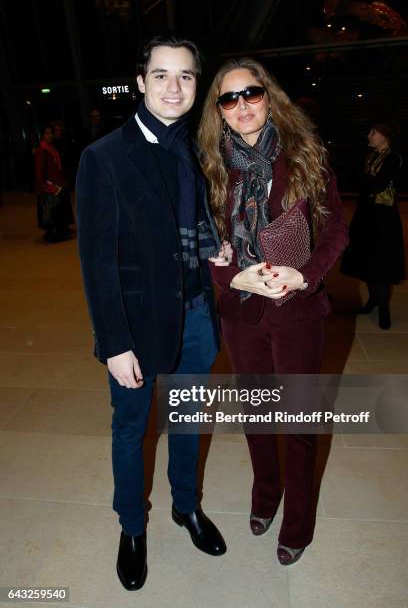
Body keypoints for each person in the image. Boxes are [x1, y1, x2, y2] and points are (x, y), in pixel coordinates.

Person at [76, 36, 230, 592]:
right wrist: (114, 344)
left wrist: (214, 246)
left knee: (189, 419)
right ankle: (132, 528)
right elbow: (96, 262)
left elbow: (194, 222)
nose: (173, 87)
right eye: (161, 75)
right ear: (140, 83)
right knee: (131, 429)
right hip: (136, 327)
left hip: (194, 317)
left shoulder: (196, 149)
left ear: (196, 86)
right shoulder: (104, 158)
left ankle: (185, 507)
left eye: (185, 76)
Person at [198, 58, 348, 565]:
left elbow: (335, 232)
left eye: (251, 93)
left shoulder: (307, 156)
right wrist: (228, 275)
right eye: (228, 98)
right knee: (258, 417)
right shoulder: (210, 167)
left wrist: (305, 274)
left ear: (269, 97)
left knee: (297, 424)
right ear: (218, 110)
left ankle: (298, 522)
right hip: (241, 315)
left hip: (297, 312)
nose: (242, 106)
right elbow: (199, 242)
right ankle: (266, 496)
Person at [341, 122, 405, 329]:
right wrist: (365, 181)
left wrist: (364, 180)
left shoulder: (393, 158)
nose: (369, 136)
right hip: (367, 214)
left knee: (381, 263)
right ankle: (372, 300)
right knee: (366, 260)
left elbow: (377, 184)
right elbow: (361, 182)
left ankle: (383, 306)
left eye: (373, 133)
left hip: (384, 217)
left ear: (384, 136)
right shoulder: (370, 157)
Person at [34, 124, 74, 242]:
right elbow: (39, 170)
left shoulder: (51, 148)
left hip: (57, 182)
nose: (50, 135)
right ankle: (51, 233)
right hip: (49, 185)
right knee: (50, 210)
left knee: (58, 208)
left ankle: (61, 229)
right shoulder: (42, 150)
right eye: (47, 133)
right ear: (42, 135)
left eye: (51, 133)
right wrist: (43, 186)